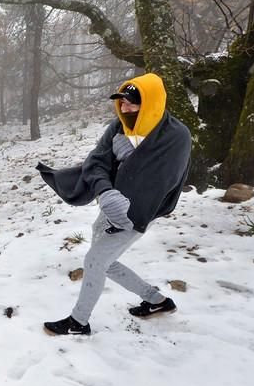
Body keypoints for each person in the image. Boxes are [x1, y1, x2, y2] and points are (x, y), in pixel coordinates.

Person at [36, 73, 191, 335]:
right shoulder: (118, 127)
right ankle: (157, 301)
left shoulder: (176, 137)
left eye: (132, 103)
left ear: (151, 103)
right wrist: (106, 193)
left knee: (95, 261)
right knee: (103, 259)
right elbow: (95, 162)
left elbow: (165, 182)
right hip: (110, 204)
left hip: (141, 211)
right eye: (122, 103)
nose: (125, 109)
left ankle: (78, 322)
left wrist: (130, 162)